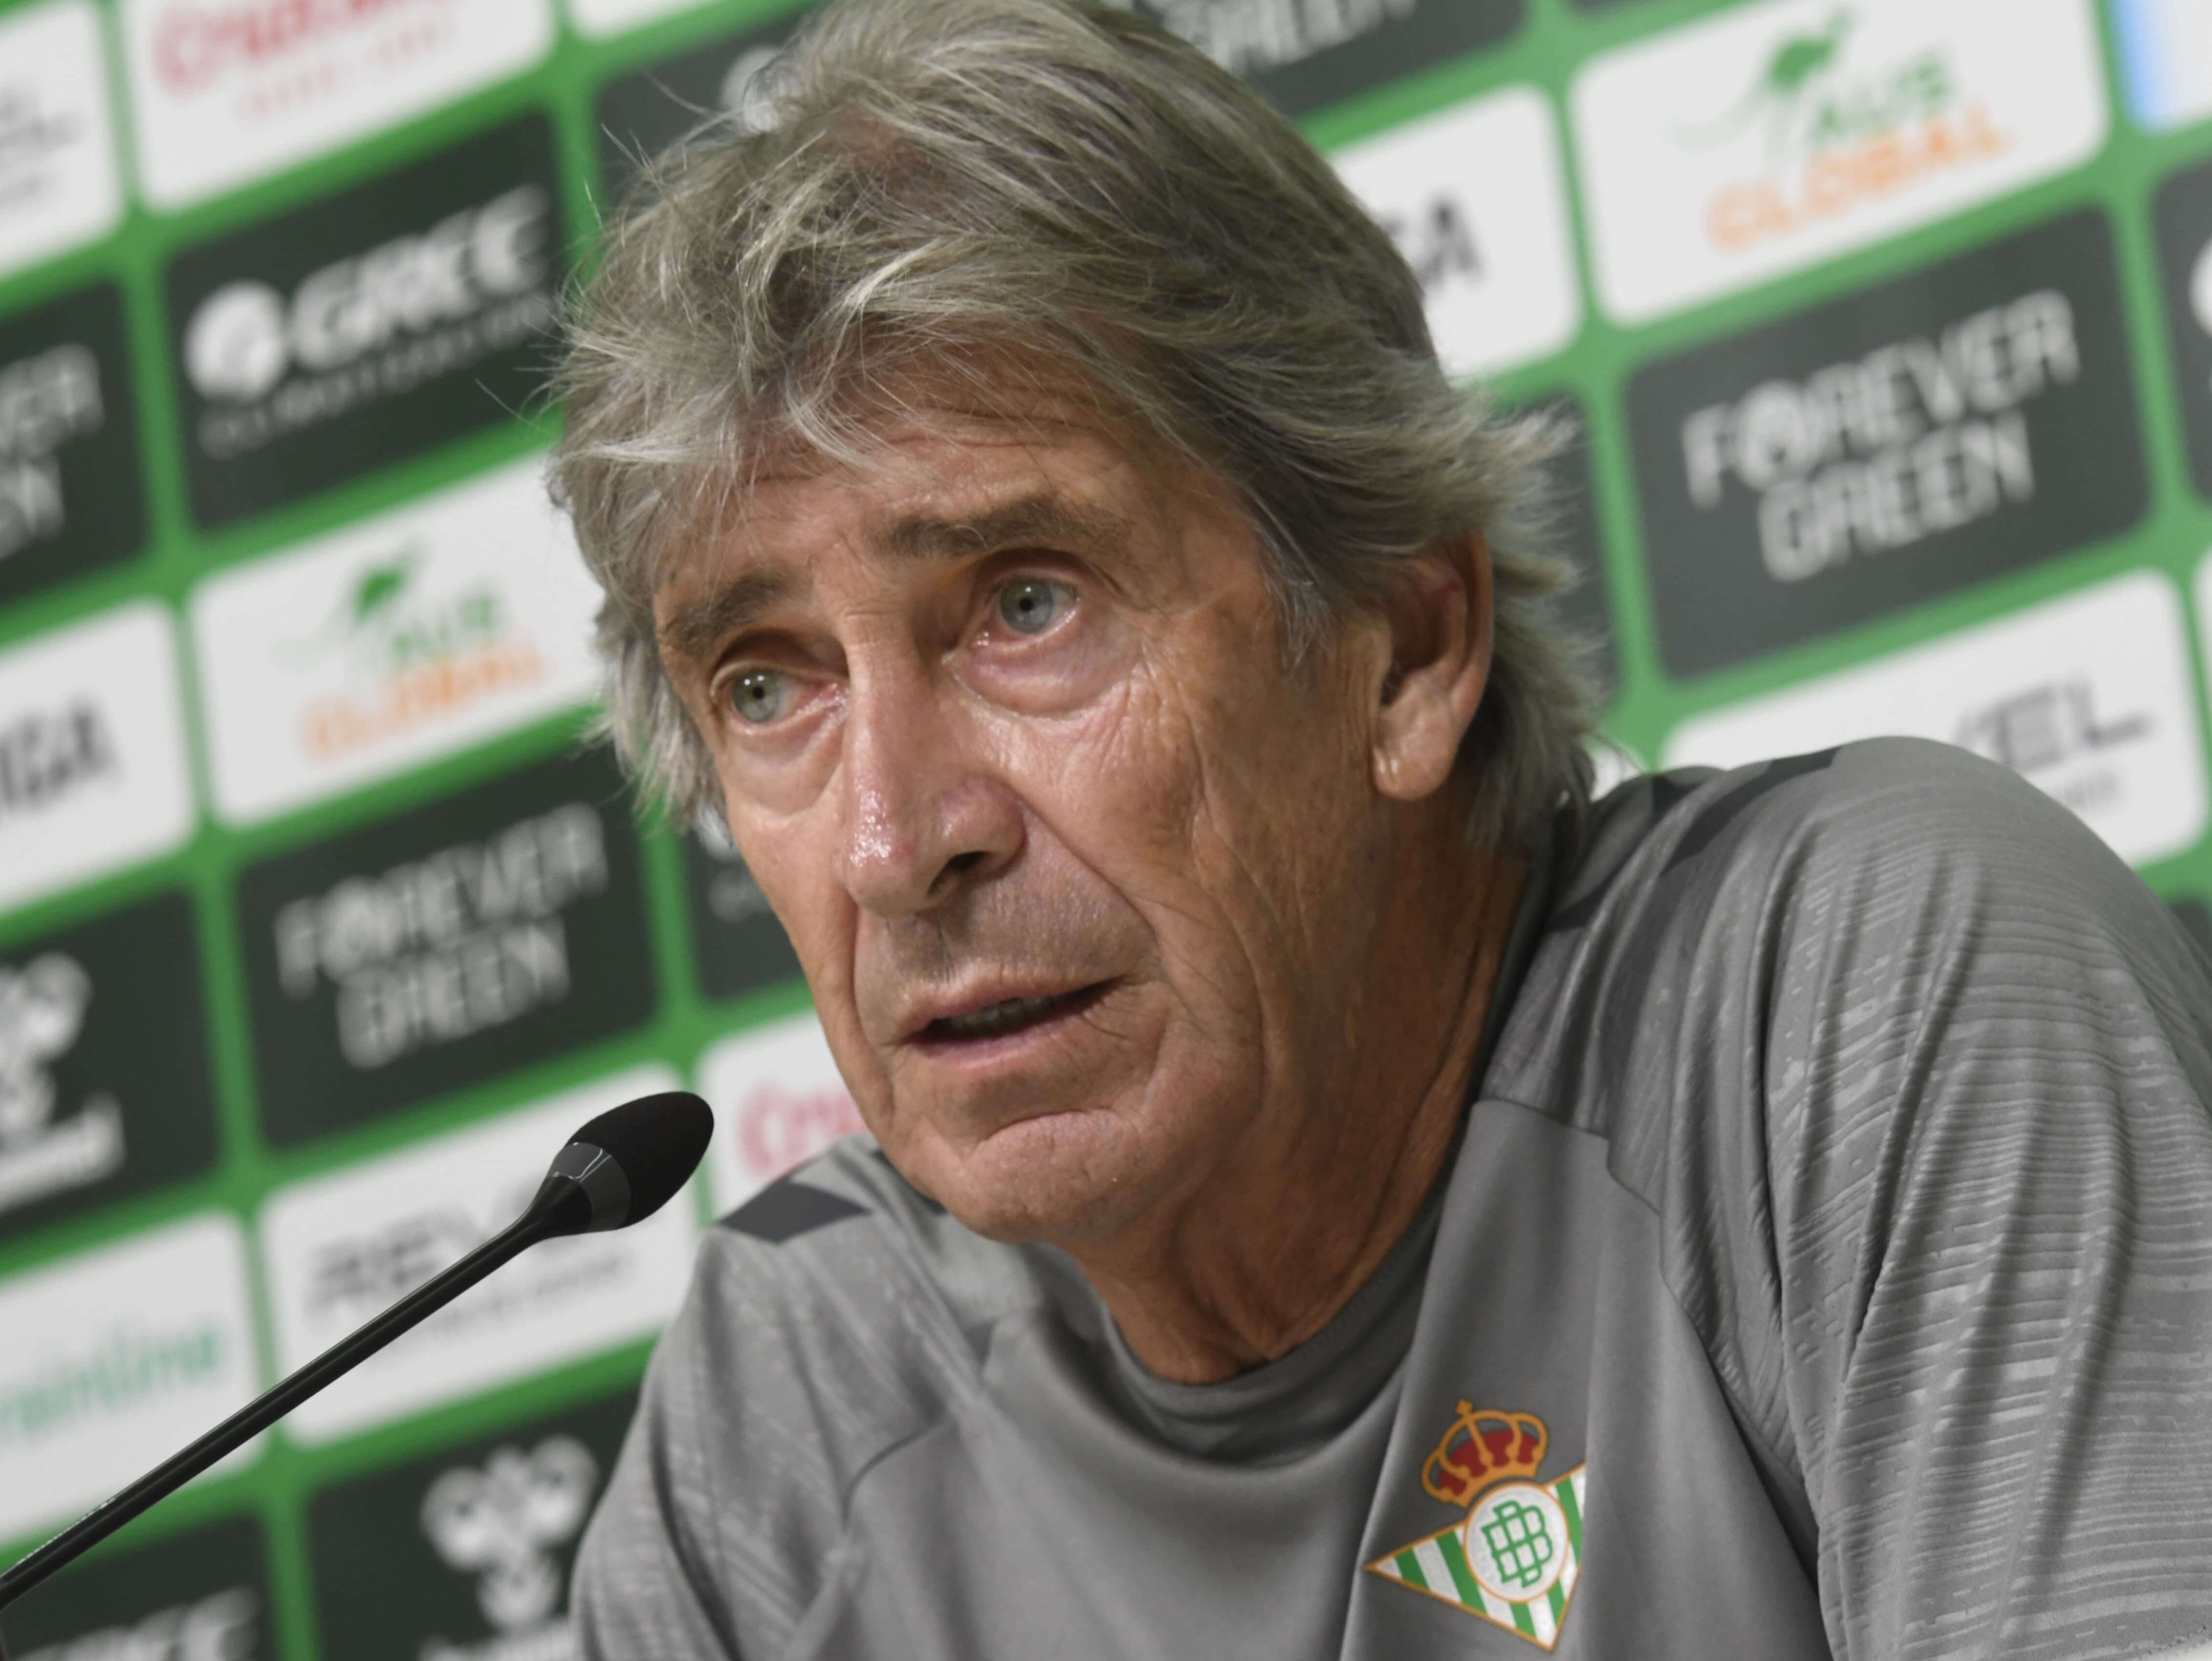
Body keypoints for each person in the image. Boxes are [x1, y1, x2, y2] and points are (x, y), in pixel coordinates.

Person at [549, 2, 2212, 1656]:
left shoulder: (1855, 1001)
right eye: (770, 689)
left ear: (1407, 650)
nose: (896, 843)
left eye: (1027, 605)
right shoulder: (802, 1393)